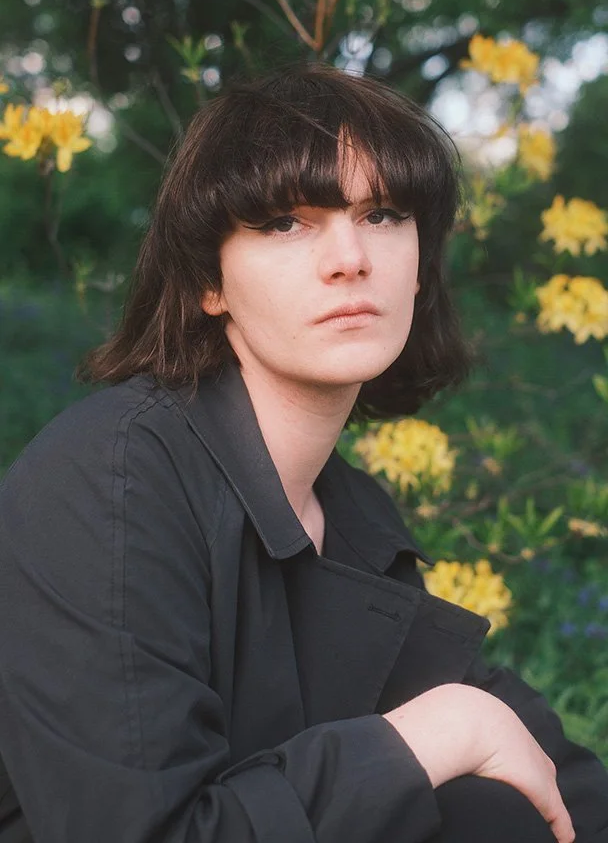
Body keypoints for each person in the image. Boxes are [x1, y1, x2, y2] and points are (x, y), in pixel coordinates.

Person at [0, 62, 606, 843]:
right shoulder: (113, 479)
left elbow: (551, 769)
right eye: (286, 222)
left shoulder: (348, 514)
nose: (350, 257)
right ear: (207, 283)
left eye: (384, 213)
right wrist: (425, 738)